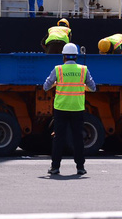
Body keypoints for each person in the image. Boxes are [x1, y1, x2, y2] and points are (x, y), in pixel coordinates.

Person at [43, 42, 96, 176]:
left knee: (58, 138)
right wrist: (82, 86)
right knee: (77, 139)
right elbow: (93, 88)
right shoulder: (83, 70)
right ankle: (80, 167)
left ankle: (55, 167)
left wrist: (56, 84)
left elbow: (45, 86)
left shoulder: (58, 69)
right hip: (77, 108)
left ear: (64, 57)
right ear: (76, 57)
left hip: (61, 108)